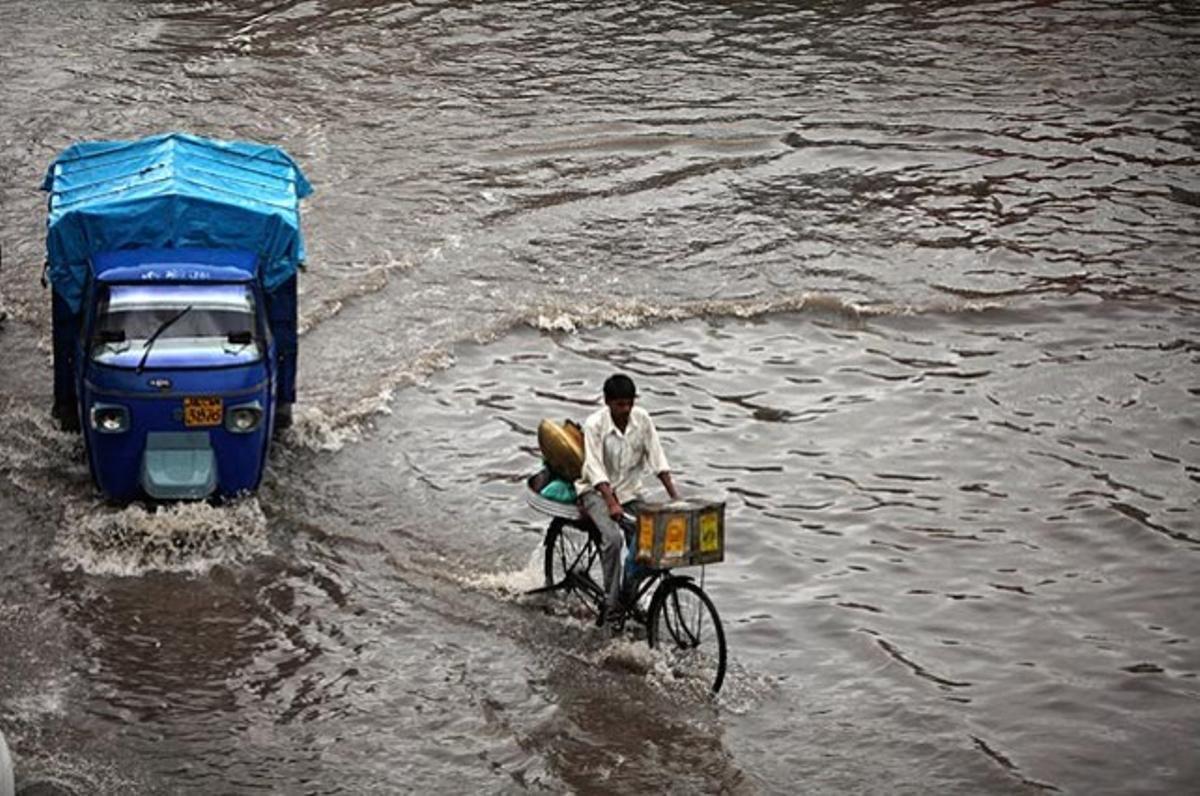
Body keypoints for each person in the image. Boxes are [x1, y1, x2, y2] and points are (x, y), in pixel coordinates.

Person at [575, 373, 680, 624]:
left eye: (629, 403)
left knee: (651, 537)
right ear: (608, 402)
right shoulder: (594, 425)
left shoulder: (642, 419)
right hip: (596, 492)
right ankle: (612, 604)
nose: (626, 409)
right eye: (620, 404)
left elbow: (657, 458)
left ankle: (629, 595)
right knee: (612, 539)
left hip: (630, 492)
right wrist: (610, 502)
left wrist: (675, 497)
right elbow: (594, 468)